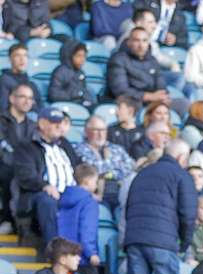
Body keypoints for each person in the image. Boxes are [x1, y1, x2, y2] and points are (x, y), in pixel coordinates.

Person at [124, 139, 197, 274]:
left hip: (135, 239)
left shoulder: (142, 173)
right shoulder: (182, 175)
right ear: (181, 157)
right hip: (162, 242)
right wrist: (184, 244)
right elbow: (188, 214)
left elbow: (128, 208)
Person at [15, 107, 81, 244]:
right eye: (54, 123)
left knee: (90, 201)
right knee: (48, 201)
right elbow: (25, 175)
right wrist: (45, 185)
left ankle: (86, 257)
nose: (59, 126)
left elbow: (79, 166)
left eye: (61, 123)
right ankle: (54, 251)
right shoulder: (27, 146)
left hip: (69, 192)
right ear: (42, 124)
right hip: (40, 195)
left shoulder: (65, 144)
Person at [56, 164, 101, 274]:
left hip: (63, 255)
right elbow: (87, 229)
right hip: (82, 257)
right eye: (95, 181)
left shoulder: (63, 200)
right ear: (87, 181)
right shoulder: (89, 202)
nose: (97, 185)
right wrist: (91, 253)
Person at [74, 117, 135, 210]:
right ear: (86, 131)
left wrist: (108, 173)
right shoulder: (79, 149)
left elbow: (131, 167)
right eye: (96, 130)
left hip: (121, 193)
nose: (100, 134)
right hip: (96, 195)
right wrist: (111, 163)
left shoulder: (116, 148)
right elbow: (93, 170)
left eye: (103, 130)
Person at [0, 82, 35, 231]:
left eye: (30, 98)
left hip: (23, 167)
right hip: (4, 164)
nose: (27, 101)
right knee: (10, 172)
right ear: (12, 99)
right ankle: (7, 220)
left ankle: (25, 225)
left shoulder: (33, 125)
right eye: (23, 97)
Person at [107, 27, 171, 107]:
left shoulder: (153, 60)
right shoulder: (118, 59)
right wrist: (149, 97)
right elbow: (120, 90)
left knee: (182, 103)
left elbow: (161, 84)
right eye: (136, 40)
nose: (141, 45)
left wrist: (163, 96)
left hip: (153, 102)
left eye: (144, 41)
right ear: (128, 42)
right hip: (131, 102)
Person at [48, 40, 96, 110]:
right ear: (70, 56)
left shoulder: (81, 73)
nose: (82, 59)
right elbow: (54, 94)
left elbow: (83, 90)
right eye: (79, 56)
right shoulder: (60, 71)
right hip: (65, 106)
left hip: (79, 104)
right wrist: (75, 94)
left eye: (84, 56)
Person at [0, 43, 42, 113]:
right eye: (17, 55)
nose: (22, 59)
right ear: (10, 59)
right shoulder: (4, 80)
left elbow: (40, 108)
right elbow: (3, 108)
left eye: (25, 56)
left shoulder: (31, 84)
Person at [108, 95, 146, 160]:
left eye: (119, 108)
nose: (116, 112)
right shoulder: (110, 130)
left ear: (130, 110)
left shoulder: (143, 132)